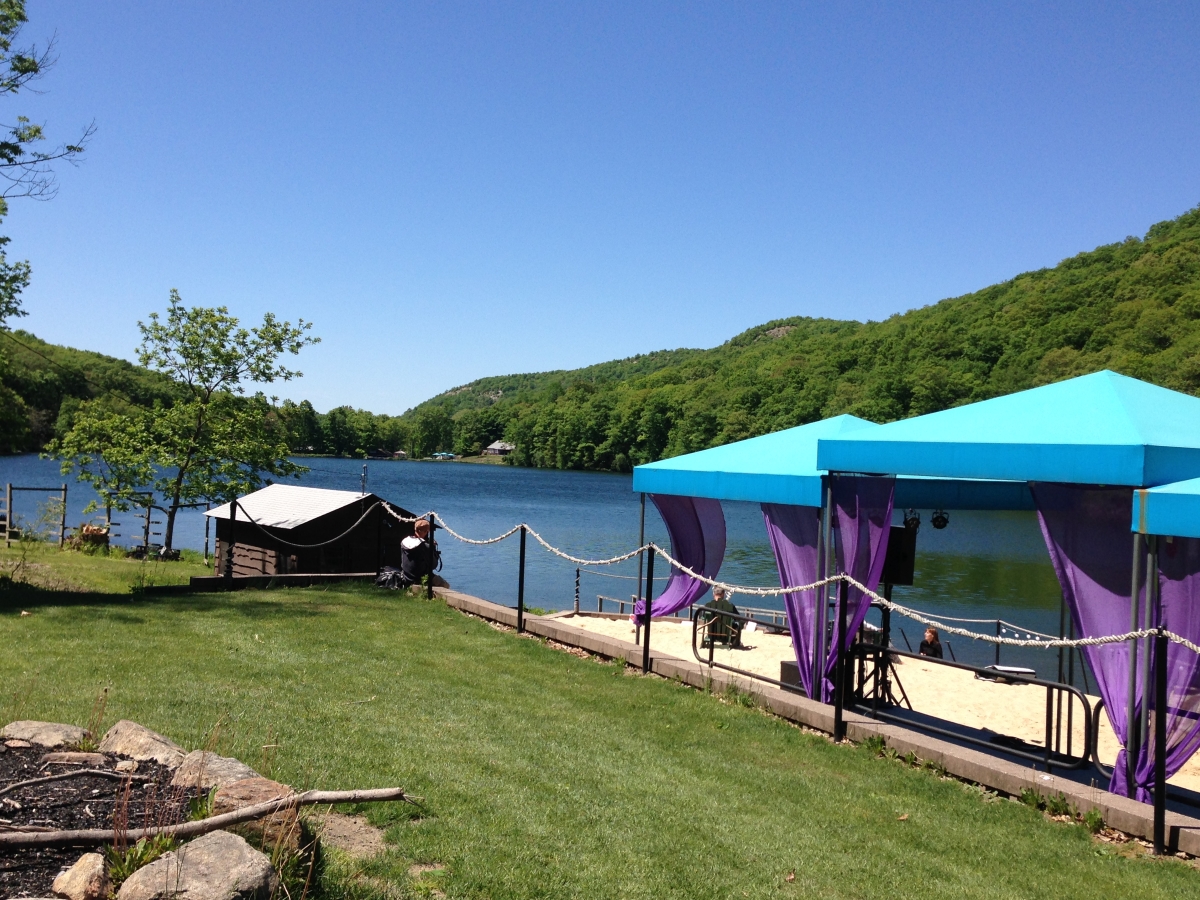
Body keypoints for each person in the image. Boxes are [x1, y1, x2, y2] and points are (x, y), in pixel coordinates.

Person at [400, 518, 442, 587]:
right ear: (426, 531)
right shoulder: (424, 546)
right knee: (445, 584)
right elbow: (434, 565)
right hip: (419, 578)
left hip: (406, 576)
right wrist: (432, 548)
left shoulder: (405, 541)